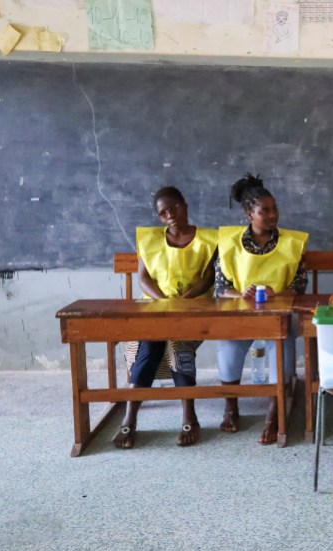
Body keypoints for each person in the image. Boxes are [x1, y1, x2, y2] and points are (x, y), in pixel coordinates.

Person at [113, 186, 218, 449]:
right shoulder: (150, 240)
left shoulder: (209, 239)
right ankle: (129, 419)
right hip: (155, 309)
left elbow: (208, 278)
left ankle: (189, 417)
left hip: (193, 310)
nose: (169, 214)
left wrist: (182, 303)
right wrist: (164, 303)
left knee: (177, 343)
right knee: (147, 345)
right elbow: (143, 277)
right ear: (159, 217)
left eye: (174, 207)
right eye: (163, 212)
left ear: (185, 205)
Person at [215, 173, 308, 445]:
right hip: (241, 314)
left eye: (274, 208)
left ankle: (274, 411)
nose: (272, 215)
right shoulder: (229, 243)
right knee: (229, 345)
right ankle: (231, 407)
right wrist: (239, 293)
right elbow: (220, 287)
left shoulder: (291, 243)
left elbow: (299, 285)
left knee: (282, 340)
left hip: (278, 315)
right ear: (248, 213)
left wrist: (275, 293)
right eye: (264, 210)